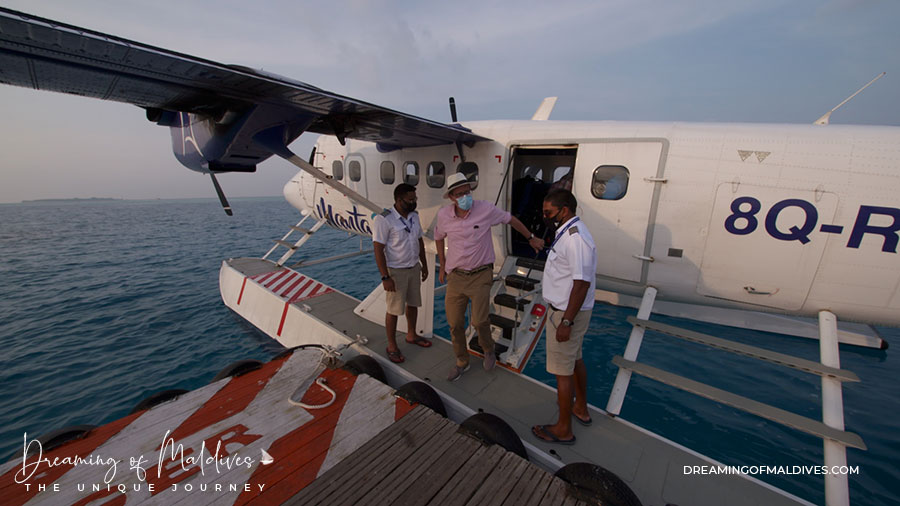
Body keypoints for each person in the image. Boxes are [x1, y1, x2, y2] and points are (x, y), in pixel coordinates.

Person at [435, 172, 544, 381]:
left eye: (467, 192)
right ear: (451, 197)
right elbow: (439, 237)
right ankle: (461, 361)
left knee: (479, 320)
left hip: (480, 274)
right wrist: (442, 265)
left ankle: (488, 349)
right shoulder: (444, 216)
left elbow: (510, 219)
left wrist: (530, 237)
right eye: (460, 194)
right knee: (455, 324)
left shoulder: (485, 209)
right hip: (456, 277)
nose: (465, 197)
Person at [532, 188, 596, 445]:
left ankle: (563, 428)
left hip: (567, 314)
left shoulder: (575, 239)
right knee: (575, 359)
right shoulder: (568, 233)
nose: (545, 215)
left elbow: (581, 284)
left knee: (562, 372)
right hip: (569, 311)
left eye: (548, 212)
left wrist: (566, 322)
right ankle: (580, 407)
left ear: (564, 210)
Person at [372, 183, 431, 363]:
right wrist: (385, 277)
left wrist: (424, 265)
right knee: (394, 310)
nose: (414, 202)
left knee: (413, 304)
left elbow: (419, 241)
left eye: (415, 199)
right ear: (399, 200)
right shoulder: (384, 220)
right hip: (396, 271)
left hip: (413, 267)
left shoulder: (414, 216)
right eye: (410, 200)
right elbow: (378, 249)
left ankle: (411, 335)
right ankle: (391, 345)